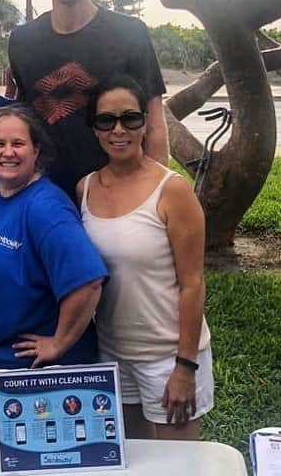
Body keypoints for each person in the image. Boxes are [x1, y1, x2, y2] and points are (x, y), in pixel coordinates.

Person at [76, 76, 212, 440]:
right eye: (106, 120)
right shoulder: (84, 188)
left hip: (167, 357)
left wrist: (185, 366)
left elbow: (193, 284)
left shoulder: (173, 191)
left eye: (130, 118)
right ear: (94, 129)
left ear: (145, 124)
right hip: (112, 353)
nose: (118, 130)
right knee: (131, 460)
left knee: (178, 465)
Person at [0, 104, 108, 434]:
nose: (7, 153)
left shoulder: (45, 208)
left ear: (36, 150)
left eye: (18, 144)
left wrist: (58, 342)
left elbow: (89, 282)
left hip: (30, 381)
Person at [8, 0, 168, 200]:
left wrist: (154, 197)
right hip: (45, 196)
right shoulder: (22, 41)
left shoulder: (130, 33)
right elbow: (24, 119)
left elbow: (154, 120)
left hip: (115, 194)